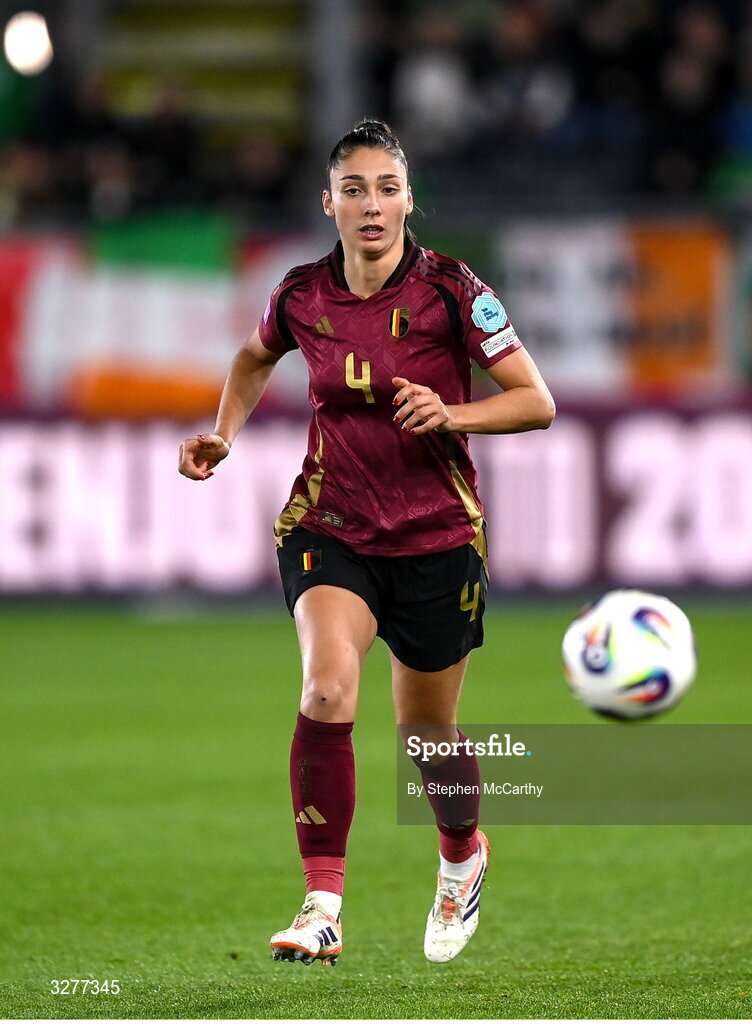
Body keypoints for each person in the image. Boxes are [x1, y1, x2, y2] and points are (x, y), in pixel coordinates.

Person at [178, 118, 555, 965]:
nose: (372, 205)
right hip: (331, 526)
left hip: (435, 536)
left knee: (427, 737)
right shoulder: (300, 294)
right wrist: (224, 435)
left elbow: (537, 401)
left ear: (409, 199)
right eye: (354, 189)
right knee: (325, 693)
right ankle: (322, 904)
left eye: (387, 188)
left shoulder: (454, 292)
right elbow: (249, 358)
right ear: (329, 203)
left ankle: (462, 854)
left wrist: (453, 411)